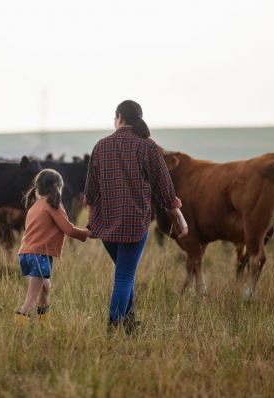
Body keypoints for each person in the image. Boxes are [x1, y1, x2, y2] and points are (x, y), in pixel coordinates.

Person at [84, 99, 188, 334]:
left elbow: (90, 192)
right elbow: (165, 188)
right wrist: (179, 218)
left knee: (124, 273)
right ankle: (113, 328)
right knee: (124, 276)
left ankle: (130, 324)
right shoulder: (147, 146)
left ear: (119, 117)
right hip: (134, 224)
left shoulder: (100, 146)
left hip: (106, 226)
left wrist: (91, 223)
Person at [15, 168, 90, 325]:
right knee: (30, 300)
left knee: (45, 288)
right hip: (39, 255)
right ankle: (17, 331)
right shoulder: (53, 205)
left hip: (26, 254)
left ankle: (44, 324)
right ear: (58, 187)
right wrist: (87, 233)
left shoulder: (34, 206)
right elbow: (69, 229)